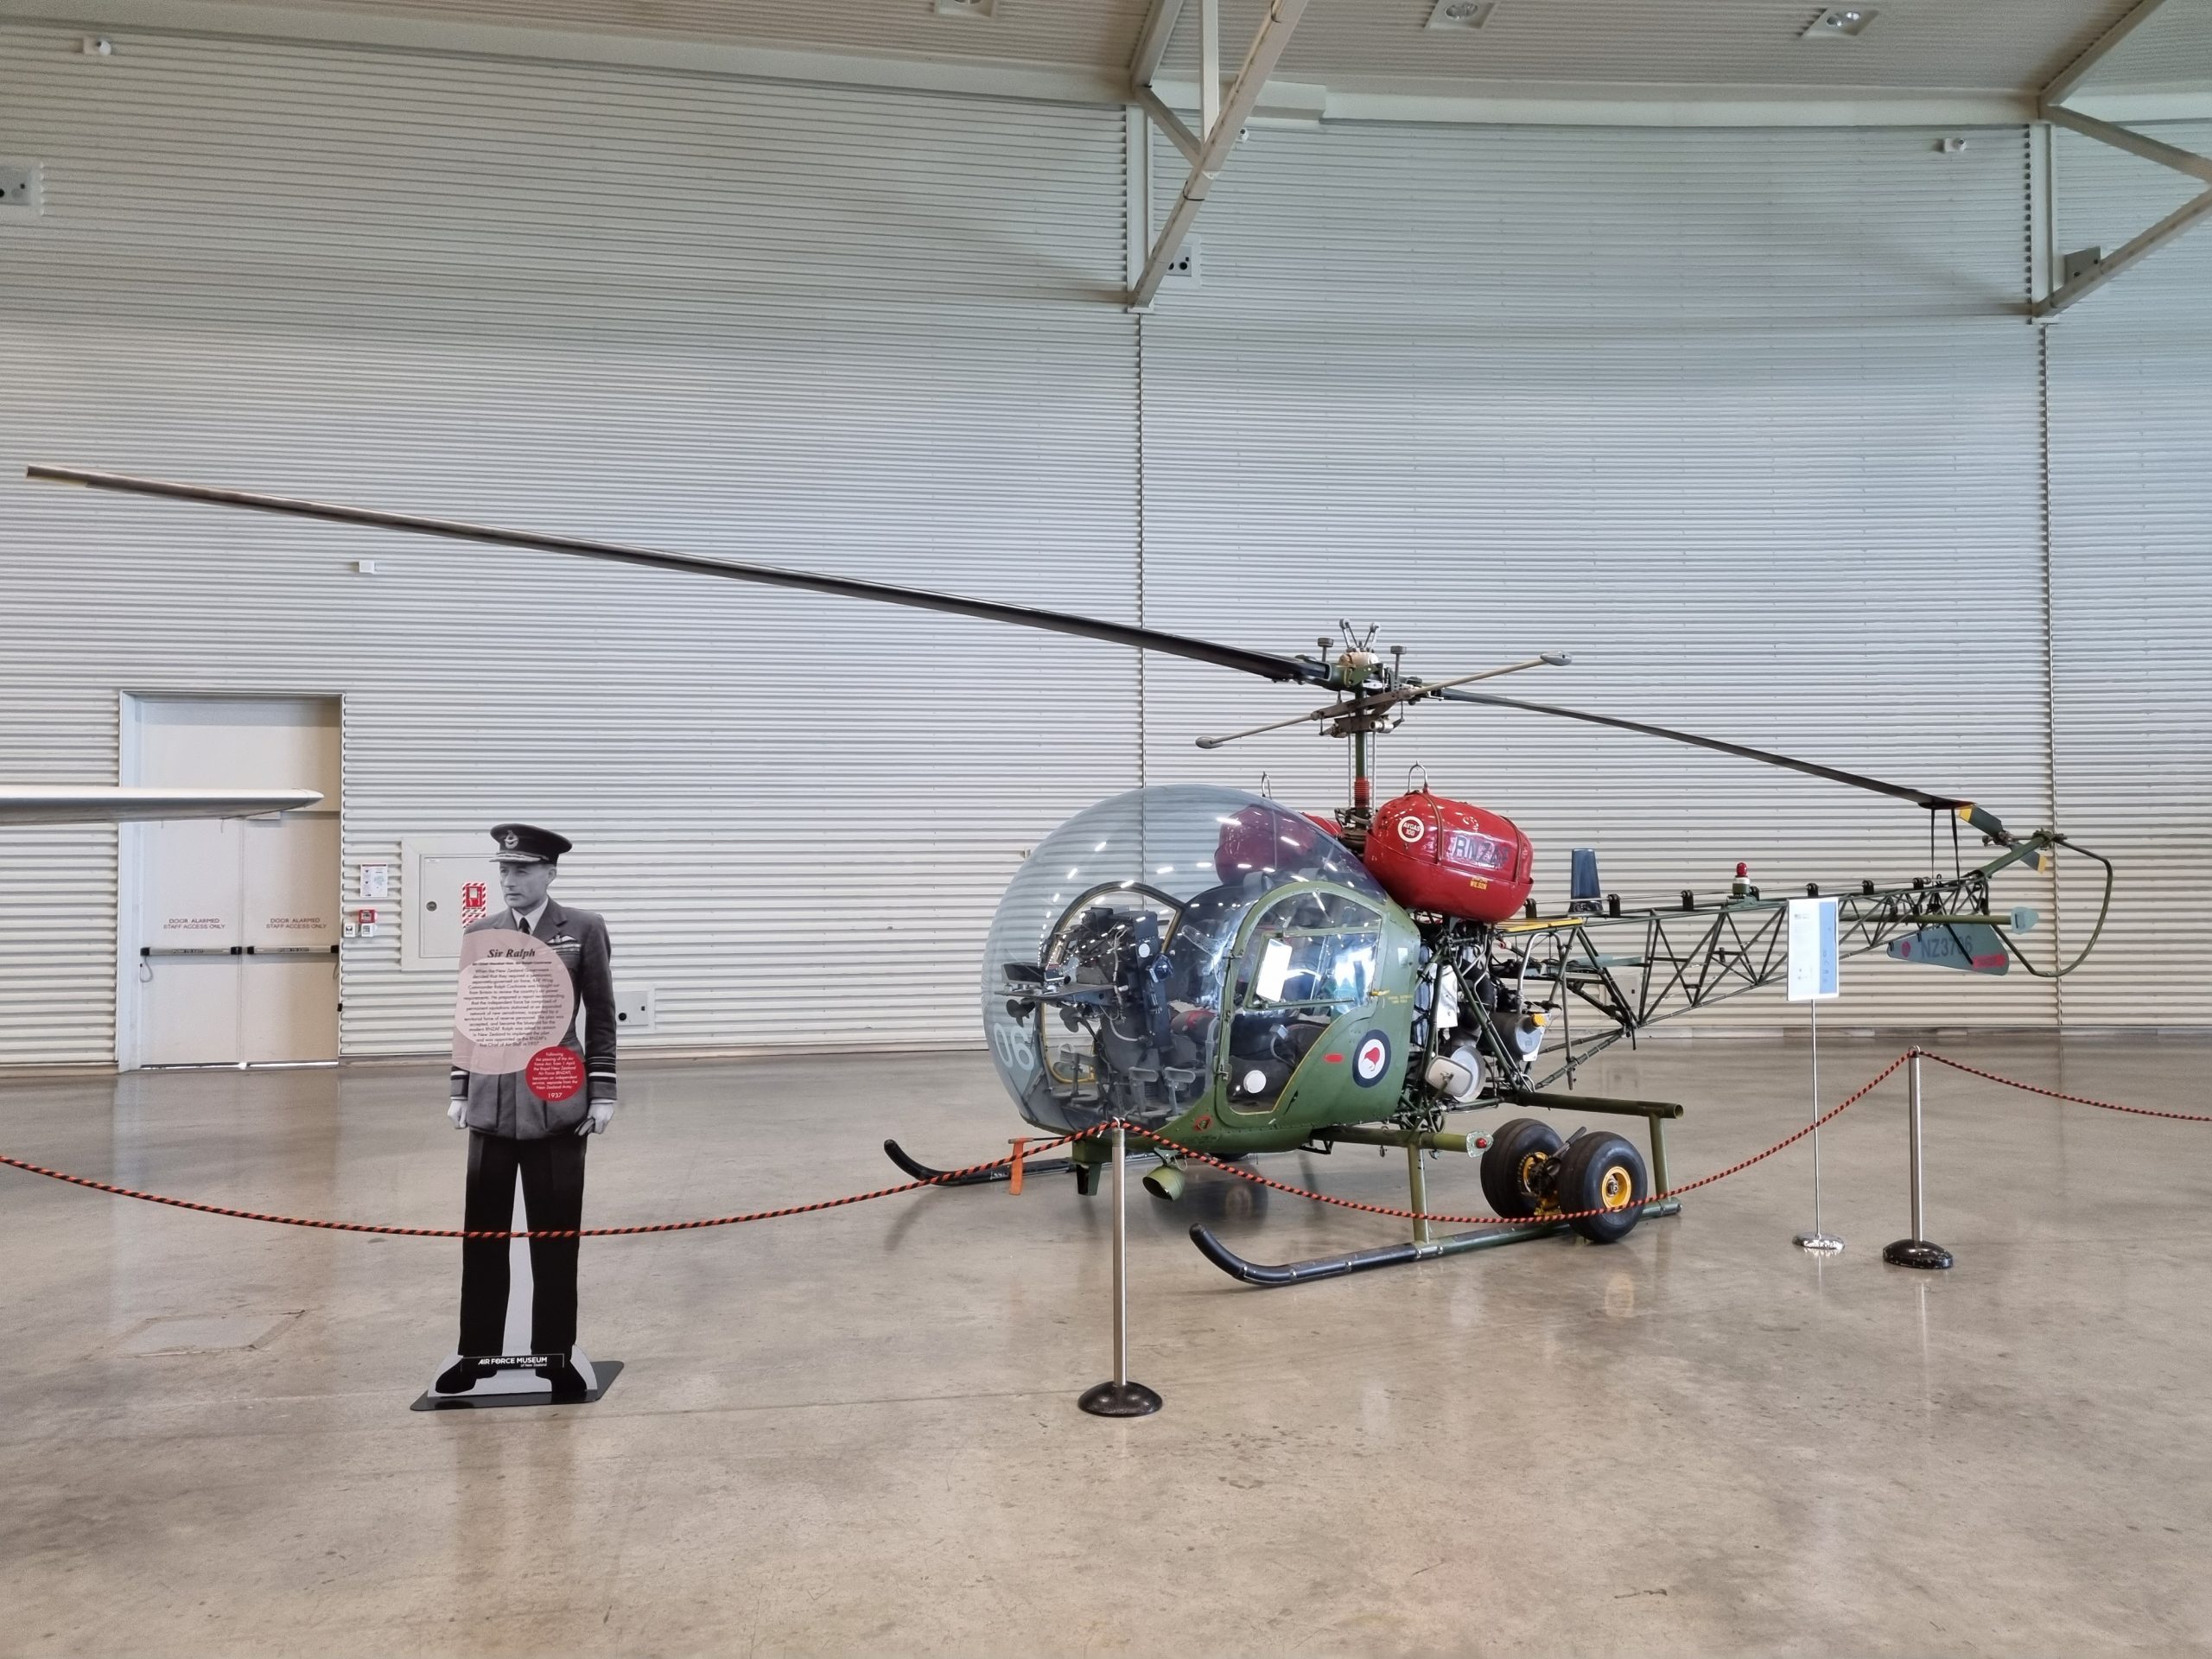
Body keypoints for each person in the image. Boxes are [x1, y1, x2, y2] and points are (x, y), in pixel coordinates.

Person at [435, 823, 616, 1402]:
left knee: (554, 1235)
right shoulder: (481, 932)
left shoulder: (582, 929)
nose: (510, 881)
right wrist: (460, 1089)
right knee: (483, 1236)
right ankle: (476, 1353)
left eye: (522, 870)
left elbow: (603, 1015)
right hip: (492, 1102)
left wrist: (605, 1091)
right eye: (504, 871)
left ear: (550, 872)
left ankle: (555, 1354)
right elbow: (471, 1014)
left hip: (557, 1103)